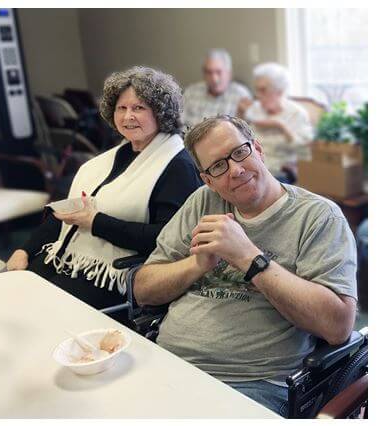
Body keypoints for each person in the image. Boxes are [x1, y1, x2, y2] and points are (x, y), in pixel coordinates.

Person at [135, 115, 357, 417]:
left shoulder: (318, 217)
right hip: (167, 364)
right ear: (207, 180)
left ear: (258, 148)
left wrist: (249, 258)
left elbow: (338, 327)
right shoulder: (202, 202)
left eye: (240, 152)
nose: (235, 170)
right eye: (217, 166)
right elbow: (143, 290)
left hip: (254, 384)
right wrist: (197, 264)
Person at [5, 66, 202, 317]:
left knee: (38, 314)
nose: (128, 116)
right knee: (11, 298)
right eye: (122, 108)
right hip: (66, 256)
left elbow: (168, 239)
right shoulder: (112, 158)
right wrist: (25, 250)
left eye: (139, 108)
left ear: (161, 113)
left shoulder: (178, 165)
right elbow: (67, 215)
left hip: (113, 275)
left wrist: (96, 222)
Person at [241, 62, 314, 182]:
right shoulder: (255, 109)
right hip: (249, 168)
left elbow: (304, 152)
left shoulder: (296, 114)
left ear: (279, 91)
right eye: (257, 90)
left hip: (277, 174)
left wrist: (280, 126)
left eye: (263, 90)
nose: (258, 95)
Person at [182, 48, 252, 130]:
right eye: (209, 72)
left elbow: (247, 133)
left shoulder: (241, 94)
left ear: (229, 73)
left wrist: (242, 115)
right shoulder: (191, 92)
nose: (214, 78)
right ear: (204, 74)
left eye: (219, 72)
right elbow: (179, 124)